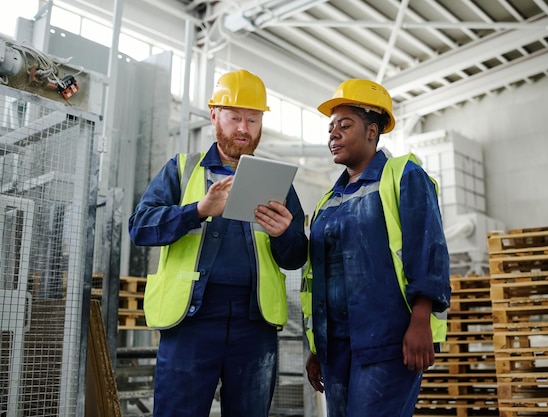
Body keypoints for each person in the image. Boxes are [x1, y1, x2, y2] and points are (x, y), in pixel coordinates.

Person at [128, 69, 308, 417]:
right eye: (235, 117)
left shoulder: (278, 183)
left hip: (254, 325)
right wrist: (196, 211)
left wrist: (284, 234)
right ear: (214, 115)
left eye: (253, 119)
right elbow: (140, 228)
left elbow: (296, 256)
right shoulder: (181, 170)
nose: (244, 127)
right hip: (192, 321)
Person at [301, 79, 451, 417]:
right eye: (330, 128)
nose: (333, 134)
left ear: (372, 131)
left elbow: (427, 247)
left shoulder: (403, 176)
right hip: (335, 346)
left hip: (389, 341)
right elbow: (320, 276)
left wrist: (421, 319)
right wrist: (317, 347)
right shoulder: (330, 200)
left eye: (344, 125)